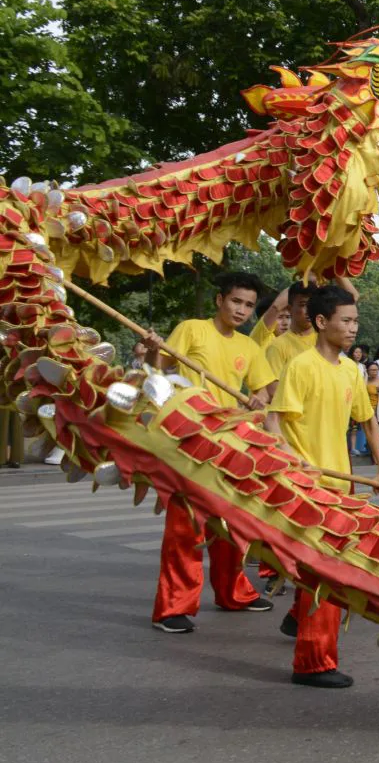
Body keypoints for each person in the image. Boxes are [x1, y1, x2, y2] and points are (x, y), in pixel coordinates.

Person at [266, 284, 379, 687]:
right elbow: (274, 422)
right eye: (347, 320)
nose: (354, 328)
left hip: (341, 488)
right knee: (326, 573)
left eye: (356, 320)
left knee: (323, 572)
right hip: (308, 489)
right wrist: (292, 458)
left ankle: (295, 620)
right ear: (322, 322)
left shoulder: (352, 371)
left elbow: (369, 422)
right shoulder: (301, 367)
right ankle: (313, 663)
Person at [149, 271, 278, 634]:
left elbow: (266, 390)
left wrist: (259, 400)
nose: (241, 310)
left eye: (249, 305)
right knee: (185, 527)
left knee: (231, 524)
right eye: (236, 301)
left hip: (231, 442)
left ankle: (234, 592)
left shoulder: (250, 347)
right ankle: (173, 607)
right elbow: (161, 370)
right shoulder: (191, 329)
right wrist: (157, 352)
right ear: (220, 300)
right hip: (189, 437)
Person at [264, 282, 319, 379]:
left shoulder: (326, 340)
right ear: (290, 308)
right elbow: (273, 389)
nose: (309, 310)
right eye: (303, 305)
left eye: (313, 304)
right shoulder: (277, 346)